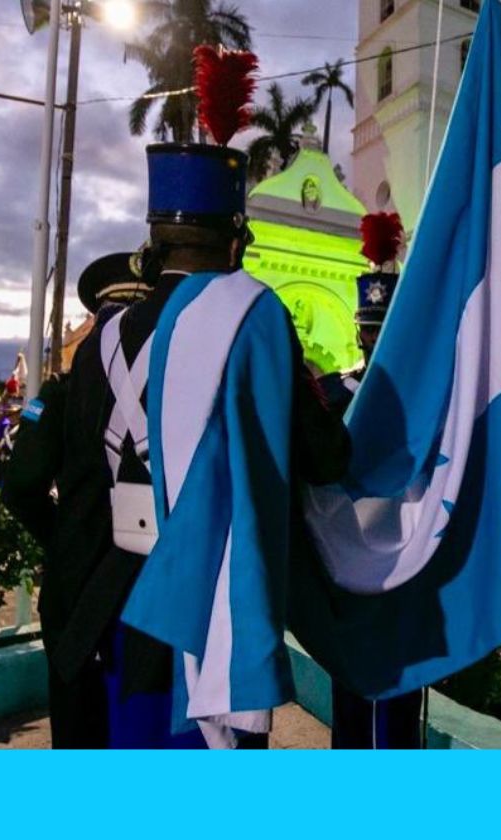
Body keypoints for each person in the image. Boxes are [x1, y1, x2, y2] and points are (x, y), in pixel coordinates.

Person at [110, 48, 349, 749]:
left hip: (119, 611)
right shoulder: (253, 315)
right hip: (207, 610)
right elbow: (320, 454)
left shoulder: (104, 337)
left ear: (154, 236)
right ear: (236, 234)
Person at [1, 250, 155, 749]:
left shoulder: (62, 394)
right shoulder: (177, 394)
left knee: (78, 729)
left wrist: (65, 534)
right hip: (153, 585)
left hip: (78, 585)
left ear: (95, 322)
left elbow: (22, 486)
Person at [319, 212, 426, 750]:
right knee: (354, 701)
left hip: (404, 563)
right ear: (359, 330)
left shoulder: (423, 403)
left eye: (384, 331)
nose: (374, 339)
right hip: (347, 561)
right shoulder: (331, 395)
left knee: (402, 698)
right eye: (370, 329)